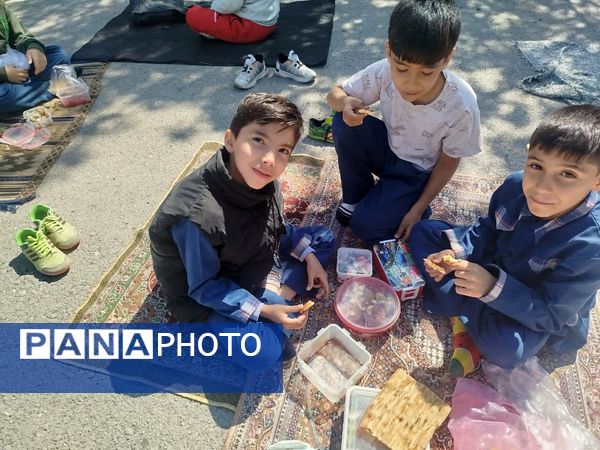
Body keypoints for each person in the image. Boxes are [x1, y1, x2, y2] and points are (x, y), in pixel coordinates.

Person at [411, 105, 600, 377]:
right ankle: (467, 312)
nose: (542, 187)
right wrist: (454, 253)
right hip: (495, 265)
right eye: (536, 166)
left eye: (568, 174)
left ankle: (459, 309)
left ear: (597, 181)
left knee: (507, 349)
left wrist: (491, 286)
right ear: (527, 154)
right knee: (424, 232)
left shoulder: (592, 246)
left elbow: (552, 314)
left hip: (530, 304)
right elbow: (487, 230)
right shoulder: (514, 186)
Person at [149, 92, 335, 369]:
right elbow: (203, 286)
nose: (270, 159)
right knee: (265, 353)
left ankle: (276, 289)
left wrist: (308, 256)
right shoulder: (196, 217)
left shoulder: (261, 177)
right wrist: (263, 309)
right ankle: (275, 294)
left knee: (323, 241)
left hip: (246, 253)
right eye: (259, 140)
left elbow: (275, 224)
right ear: (231, 141)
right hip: (207, 292)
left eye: (283, 150)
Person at [326, 0, 480, 243]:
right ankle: (357, 197)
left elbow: (448, 163)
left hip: (417, 173)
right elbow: (334, 94)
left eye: (426, 73)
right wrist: (344, 103)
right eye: (401, 68)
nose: (411, 83)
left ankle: (405, 202)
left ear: (447, 58)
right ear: (389, 50)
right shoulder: (383, 71)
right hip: (388, 150)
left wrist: (417, 209)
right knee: (343, 122)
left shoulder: (462, 105)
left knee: (365, 228)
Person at [0, 0, 70, 115]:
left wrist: (33, 47)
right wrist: (4, 74)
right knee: (3, 97)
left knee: (58, 54)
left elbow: (20, 36)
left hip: (13, 64)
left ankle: (30, 90)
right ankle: (54, 86)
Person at [186, 0, 279, 44]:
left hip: (252, 28)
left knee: (193, 14)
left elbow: (226, 7)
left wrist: (211, 9)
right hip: (268, 22)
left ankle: (217, 34)